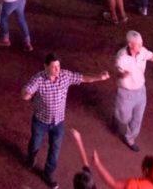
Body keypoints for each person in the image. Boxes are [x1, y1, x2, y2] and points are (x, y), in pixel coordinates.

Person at [22, 53, 111, 189]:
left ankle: (48, 173)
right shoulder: (38, 79)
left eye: (58, 66)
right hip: (40, 121)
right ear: (45, 67)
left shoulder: (65, 76)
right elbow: (26, 92)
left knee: (55, 150)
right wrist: (26, 94)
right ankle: (31, 158)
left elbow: (83, 78)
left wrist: (99, 76)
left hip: (58, 123)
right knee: (35, 143)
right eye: (54, 67)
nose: (57, 70)